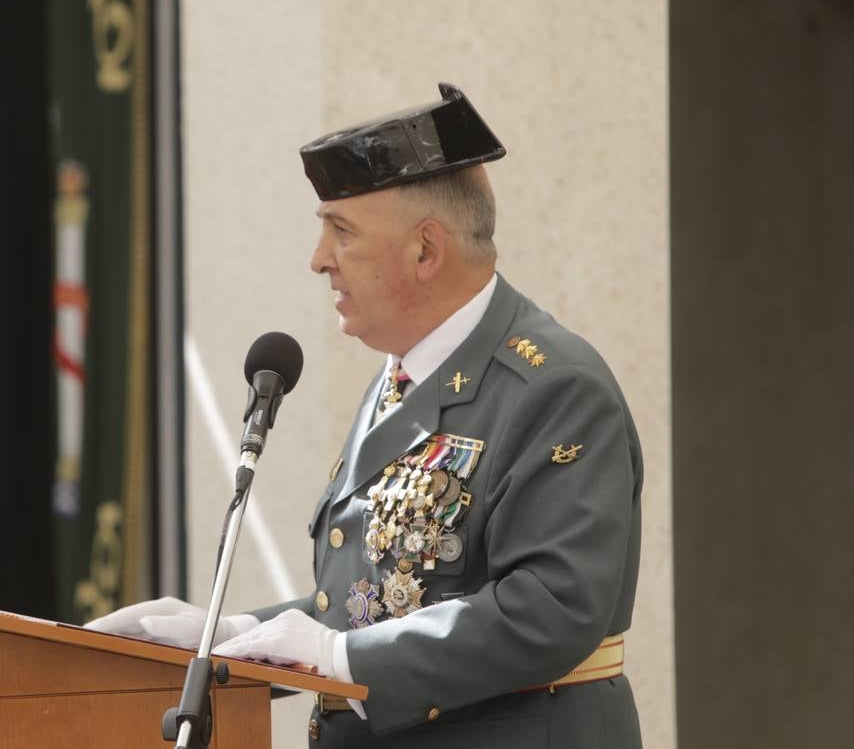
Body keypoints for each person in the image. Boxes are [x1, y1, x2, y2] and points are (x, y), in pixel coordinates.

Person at [88, 84, 643, 748]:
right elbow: (382, 598)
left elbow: (552, 609)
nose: (318, 258)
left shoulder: (553, 388)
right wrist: (232, 639)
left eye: (341, 232)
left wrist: (341, 660)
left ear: (424, 252)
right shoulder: (403, 375)